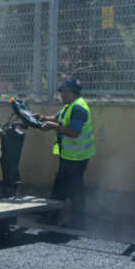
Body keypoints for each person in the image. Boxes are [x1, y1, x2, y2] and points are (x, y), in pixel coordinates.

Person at [35, 77, 95, 229]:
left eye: (63, 92)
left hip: (77, 157)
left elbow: (74, 132)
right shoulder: (69, 106)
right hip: (68, 155)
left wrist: (53, 126)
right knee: (60, 187)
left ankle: (78, 221)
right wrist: (42, 118)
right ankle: (53, 216)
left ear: (70, 92)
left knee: (75, 189)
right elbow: (57, 118)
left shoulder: (78, 108)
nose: (61, 95)